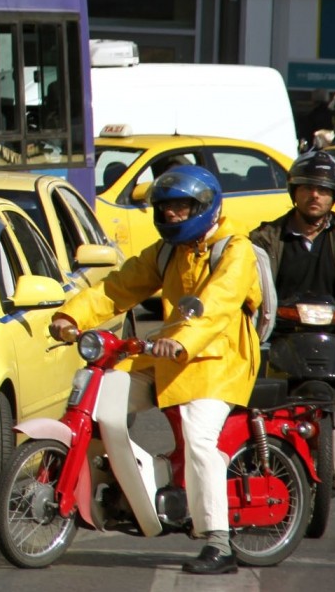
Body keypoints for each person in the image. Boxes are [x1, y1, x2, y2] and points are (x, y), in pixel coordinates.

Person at [49, 165, 261, 577]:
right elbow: (119, 287)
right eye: (165, 209)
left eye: (181, 208)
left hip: (220, 360)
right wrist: (69, 316)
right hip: (167, 355)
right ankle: (134, 489)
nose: (172, 216)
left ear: (205, 207)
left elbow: (218, 304)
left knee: (199, 440)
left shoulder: (236, 249)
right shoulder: (167, 251)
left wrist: (183, 340)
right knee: (101, 395)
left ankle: (218, 541)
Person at [249, 152, 335, 475]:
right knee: (256, 395)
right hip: (281, 334)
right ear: (294, 191)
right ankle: (260, 455)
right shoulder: (267, 236)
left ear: (334, 196)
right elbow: (249, 282)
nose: (315, 195)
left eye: (324, 190)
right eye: (308, 187)